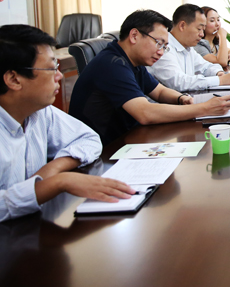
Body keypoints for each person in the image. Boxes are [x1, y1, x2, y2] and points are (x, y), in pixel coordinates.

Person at [0, 25, 135, 222]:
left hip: (36, 225)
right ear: (14, 79)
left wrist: (54, 168)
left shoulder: (40, 111)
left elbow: (89, 138)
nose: (59, 75)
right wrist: (57, 183)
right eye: (51, 68)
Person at [70, 9, 230, 144]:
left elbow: (159, 91)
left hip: (128, 138)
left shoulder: (133, 62)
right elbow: (145, 113)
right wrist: (204, 108)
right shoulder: (112, 64)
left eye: (165, 46)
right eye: (158, 43)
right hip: (104, 151)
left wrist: (180, 99)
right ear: (134, 36)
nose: (161, 52)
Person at [148, 4, 230, 91]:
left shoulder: (188, 48)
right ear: (182, 26)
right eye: (199, 29)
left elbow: (206, 66)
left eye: (203, 29)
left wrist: (219, 73)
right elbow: (178, 82)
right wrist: (219, 80)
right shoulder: (164, 48)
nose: (201, 34)